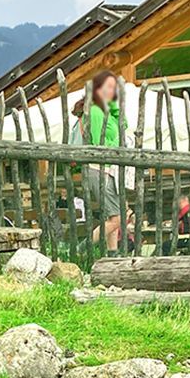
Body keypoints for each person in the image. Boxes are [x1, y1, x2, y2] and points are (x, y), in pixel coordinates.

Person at [72, 70, 123, 253]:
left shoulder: (107, 112)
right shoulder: (95, 111)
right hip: (98, 169)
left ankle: (112, 255)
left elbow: (123, 127)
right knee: (117, 218)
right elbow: (98, 142)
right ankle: (81, 249)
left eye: (114, 88)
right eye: (108, 87)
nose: (112, 91)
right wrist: (117, 143)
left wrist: (115, 109)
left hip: (108, 170)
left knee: (111, 217)